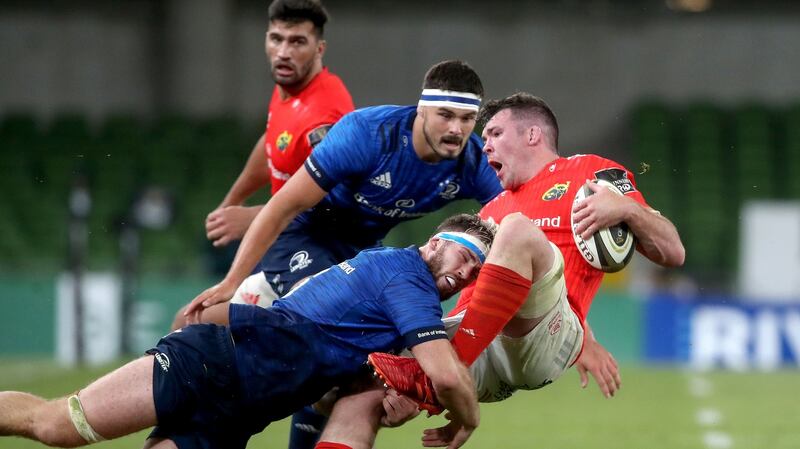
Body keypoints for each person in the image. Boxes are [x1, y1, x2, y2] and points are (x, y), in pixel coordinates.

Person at [314, 93, 685, 449]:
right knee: (354, 389)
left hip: (543, 335)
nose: (484, 145)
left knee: (517, 230)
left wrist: (627, 210)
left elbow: (672, 251)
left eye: (494, 133)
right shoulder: (490, 210)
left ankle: (440, 376)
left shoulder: (588, 174)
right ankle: (433, 380)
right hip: (480, 344)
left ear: (532, 135)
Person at [174, 58, 502, 447]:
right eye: (445, 115)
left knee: (356, 370)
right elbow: (286, 206)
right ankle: (193, 371)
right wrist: (231, 281)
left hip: (364, 256)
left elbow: (515, 227)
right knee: (328, 350)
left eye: (467, 119)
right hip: (308, 238)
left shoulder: (473, 161)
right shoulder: (368, 134)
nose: (456, 129)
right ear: (421, 109)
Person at [0, 214, 494, 449]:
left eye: (477, 272)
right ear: (435, 242)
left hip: (242, 410)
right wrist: (464, 419)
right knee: (59, 427)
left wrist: (385, 396)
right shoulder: (407, 276)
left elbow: (327, 395)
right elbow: (447, 378)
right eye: (465, 256)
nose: (466, 274)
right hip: (213, 364)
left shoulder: (395, 312)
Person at [205, 0, 353, 249]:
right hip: (285, 238)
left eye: (297, 42)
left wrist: (254, 217)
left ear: (319, 49)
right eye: (276, 39)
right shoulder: (290, 85)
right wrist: (233, 201)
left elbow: (339, 204)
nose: (284, 52)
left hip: (323, 252)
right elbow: (274, 144)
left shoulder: (324, 117)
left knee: (229, 289)